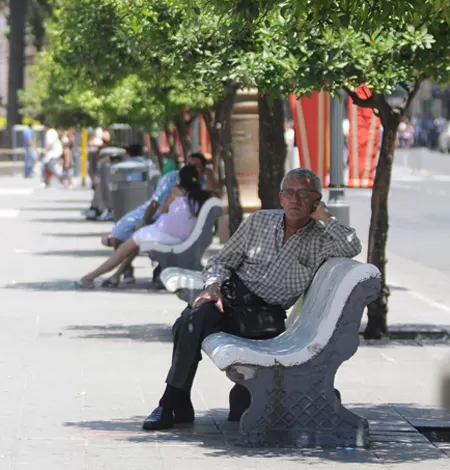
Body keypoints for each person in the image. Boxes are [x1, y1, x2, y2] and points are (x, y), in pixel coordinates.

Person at [140, 168, 362, 431]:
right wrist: (213, 286)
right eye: (289, 193)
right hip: (231, 301)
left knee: (187, 325)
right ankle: (171, 402)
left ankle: (175, 403)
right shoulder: (259, 222)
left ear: (317, 200)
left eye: (304, 194)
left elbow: (352, 246)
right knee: (191, 321)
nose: (295, 200)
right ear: (281, 198)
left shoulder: (322, 239)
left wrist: (326, 218)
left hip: (264, 320)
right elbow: (221, 262)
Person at [76, 165, 211, 288]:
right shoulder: (203, 197)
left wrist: (172, 197)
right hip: (183, 237)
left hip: (162, 234)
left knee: (130, 243)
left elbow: (164, 210)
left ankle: (92, 276)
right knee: (136, 240)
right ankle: (115, 276)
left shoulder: (177, 191)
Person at [42, 123, 64, 187]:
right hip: (55, 153)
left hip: (54, 153)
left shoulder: (50, 132)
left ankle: (60, 178)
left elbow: (50, 144)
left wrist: (45, 151)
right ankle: (47, 181)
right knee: (48, 166)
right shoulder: (53, 131)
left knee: (50, 166)